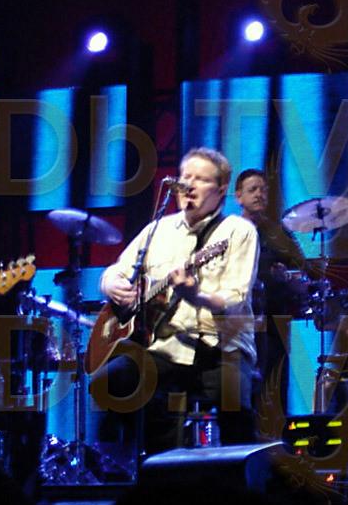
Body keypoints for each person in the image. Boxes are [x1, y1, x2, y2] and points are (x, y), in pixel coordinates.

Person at [93, 148, 259, 453]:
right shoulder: (158, 229)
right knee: (109, 381)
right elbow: (117, 269)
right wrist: (111, 284)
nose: (189, 185)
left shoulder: (238, 231)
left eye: (201, 179)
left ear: (221, 189)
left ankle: (242, 475)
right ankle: (154, 460)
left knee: (234, 403)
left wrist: (195, 295)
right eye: (185, 177)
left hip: (221, 346)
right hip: (167, 347)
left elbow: (235, 298)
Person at [233, 169, 307, 408]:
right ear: (238, 196)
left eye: (263, 190)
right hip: (240, 319)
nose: (259, 194)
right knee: (242, 386)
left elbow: (301, 269)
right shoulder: (229, 231)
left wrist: (288, 277)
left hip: (276, 317)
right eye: (252, 190)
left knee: (276, 382)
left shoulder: (279, 233)